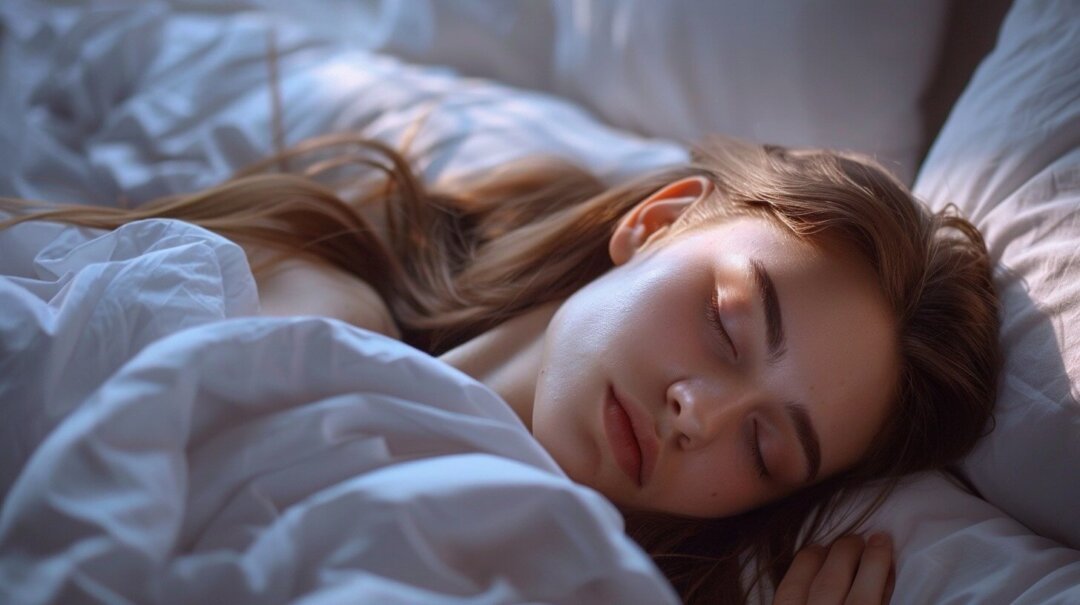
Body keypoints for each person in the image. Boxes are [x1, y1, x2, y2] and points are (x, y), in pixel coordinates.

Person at [0, 133, 1001, 604]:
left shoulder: (576, 579)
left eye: (766, 443)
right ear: (652, 223)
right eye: (729, 323)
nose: (699, 411)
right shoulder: (293, 275)